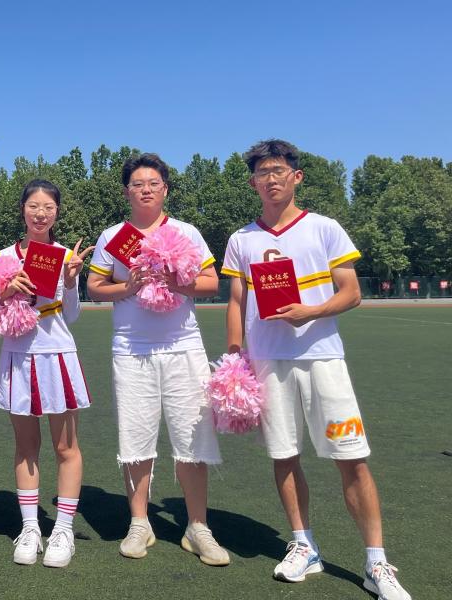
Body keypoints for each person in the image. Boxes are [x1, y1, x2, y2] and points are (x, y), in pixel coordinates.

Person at [223, 139, 411, 600]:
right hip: (268, 362)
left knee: (352, 458)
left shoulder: (325, 228)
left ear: (296, 177)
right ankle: (303, 545)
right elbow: (236, 302)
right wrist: (234, 357)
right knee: (284, 456)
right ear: (252, 183)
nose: (271, 179)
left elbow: (351, 292)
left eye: (278, 171)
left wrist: (311, 311)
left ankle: (376, 562)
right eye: (262, 173)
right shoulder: (241, 239)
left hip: (323, 358)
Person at [87, 153, 229, 566]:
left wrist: (176, 281)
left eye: (153, 183)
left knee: (192, 438)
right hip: (132, 350)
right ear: (126, 192)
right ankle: (139, 522)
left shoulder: (186, 232)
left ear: (165, 189)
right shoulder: (113, 237)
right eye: (137, 184)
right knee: (135, 438)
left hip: (184, 347)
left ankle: (198, 527)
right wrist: (128, 286)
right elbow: (95, 287)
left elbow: (211, 282)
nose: (145, 190)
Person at [0, 179, 92, 568]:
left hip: (57, 355)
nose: (40, 213)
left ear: (56, 213)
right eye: (33, 206)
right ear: (22, 209)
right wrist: (5, 291)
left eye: (48, 207)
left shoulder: (66, 255)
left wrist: (70, 282)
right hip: (18, 356)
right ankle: (31, 527)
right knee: (26, 447)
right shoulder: (3, 257)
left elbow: (73, 316)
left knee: (66, 447)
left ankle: (63, 529)